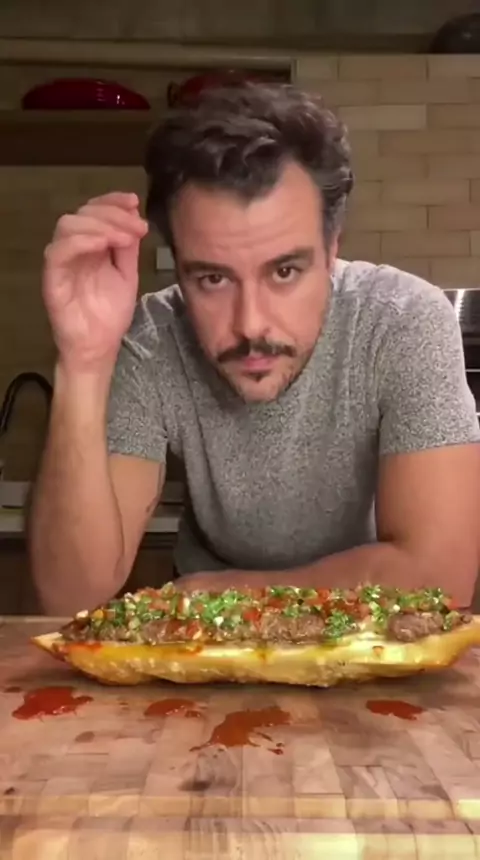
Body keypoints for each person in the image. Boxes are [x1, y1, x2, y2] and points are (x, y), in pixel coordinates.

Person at [29, 83, 480, 615]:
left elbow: (439, 579)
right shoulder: (150, 340)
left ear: (331, 251)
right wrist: (83, 362)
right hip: (202, 642)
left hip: (363, 630)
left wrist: (223, 595)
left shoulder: (403, 321)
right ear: (178, 267)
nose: (250, 325)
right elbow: (68, 597)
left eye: (284, 271)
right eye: (213, 279)